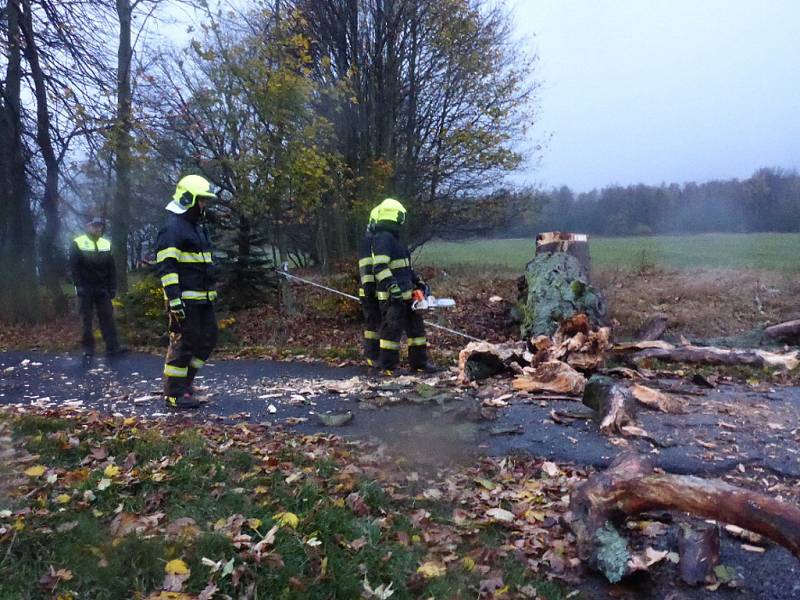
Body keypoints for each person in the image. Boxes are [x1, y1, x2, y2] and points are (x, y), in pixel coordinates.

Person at [155, 175, 219, 409]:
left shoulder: (196, 228)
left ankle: (186, 383)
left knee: (208, 338)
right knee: (183, 344)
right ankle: (174, 394)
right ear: (188, 199)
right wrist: (174, 299)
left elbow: (203, 261)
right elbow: (167, 267)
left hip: (203, 298)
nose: (204, 205)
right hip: (184, 300)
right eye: (201, 200)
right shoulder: (173, 229)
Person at [370, 198, 436, 375]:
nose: (402, 219)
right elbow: (380, 267)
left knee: (417, 332)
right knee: (391, 333)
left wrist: (418, 282)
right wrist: (392, 287)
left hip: (407, 295)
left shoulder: (396, 239)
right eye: (401, 216)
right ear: (394, 215)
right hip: (392, 297)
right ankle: (389, 367)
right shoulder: (383, 239)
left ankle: (420, 363)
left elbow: (406, 267)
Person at [69, 217, 123, 358]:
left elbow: (111, 268)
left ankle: (113, 348)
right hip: (85, 288)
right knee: (86, 319)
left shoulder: (106, 244)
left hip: (102, 288)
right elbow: (74, 267)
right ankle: (88, 349)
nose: (98, 229)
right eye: (95, 226)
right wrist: (78, 285)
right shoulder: (78, 243)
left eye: (99, 226)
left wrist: (112, 287)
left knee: (107, 318)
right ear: (88, 226)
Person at [357, 206, 381, 367]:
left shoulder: (380, 241)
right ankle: (372, 356)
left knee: (380, 323)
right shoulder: (368, 242)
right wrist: (370, 289)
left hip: (379, 290)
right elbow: (366, 268)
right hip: (369, 291)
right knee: (373, 325)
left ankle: (379, 355)